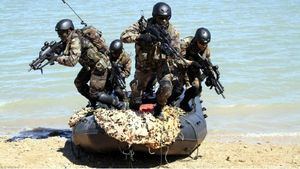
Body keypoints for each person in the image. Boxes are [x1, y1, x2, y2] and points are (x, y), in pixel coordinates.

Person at [121, 2, 182, 118]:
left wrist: (168, 51)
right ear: (154, 16)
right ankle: (134, 107)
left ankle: (158, 109)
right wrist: (141, 37)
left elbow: (176, 52)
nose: (164, 21)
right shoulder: (143, 25)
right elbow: (124, 36)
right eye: (161, 18)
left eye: (166, 18)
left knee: (167, 87)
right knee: (136, 89)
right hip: (144, 65)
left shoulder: (172, 31)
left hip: (161, 65)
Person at [54, 19, 125, 109]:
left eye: (61, 33)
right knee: (79, 83)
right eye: (58, 33)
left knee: (94, 93)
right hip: (90, 66)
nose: (59, 36)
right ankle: (94, 102)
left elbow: (72, 61)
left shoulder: (75, 40)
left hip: (99, 66)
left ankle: (118, 104)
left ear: (69, 31)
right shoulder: (73, 37)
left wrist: (57, 58)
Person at [179, 27, 212, 111]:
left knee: (197, 88)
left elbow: (208, 63)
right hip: (180, 67)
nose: (203, 46)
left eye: (205, 43)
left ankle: (185, 102)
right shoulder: (185, 43)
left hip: (193, 69)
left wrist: (208, 76)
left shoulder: (206, 49)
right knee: (177, 89)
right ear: (196, 39)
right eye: (201, 43)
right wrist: (191, 63)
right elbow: (177, 60)